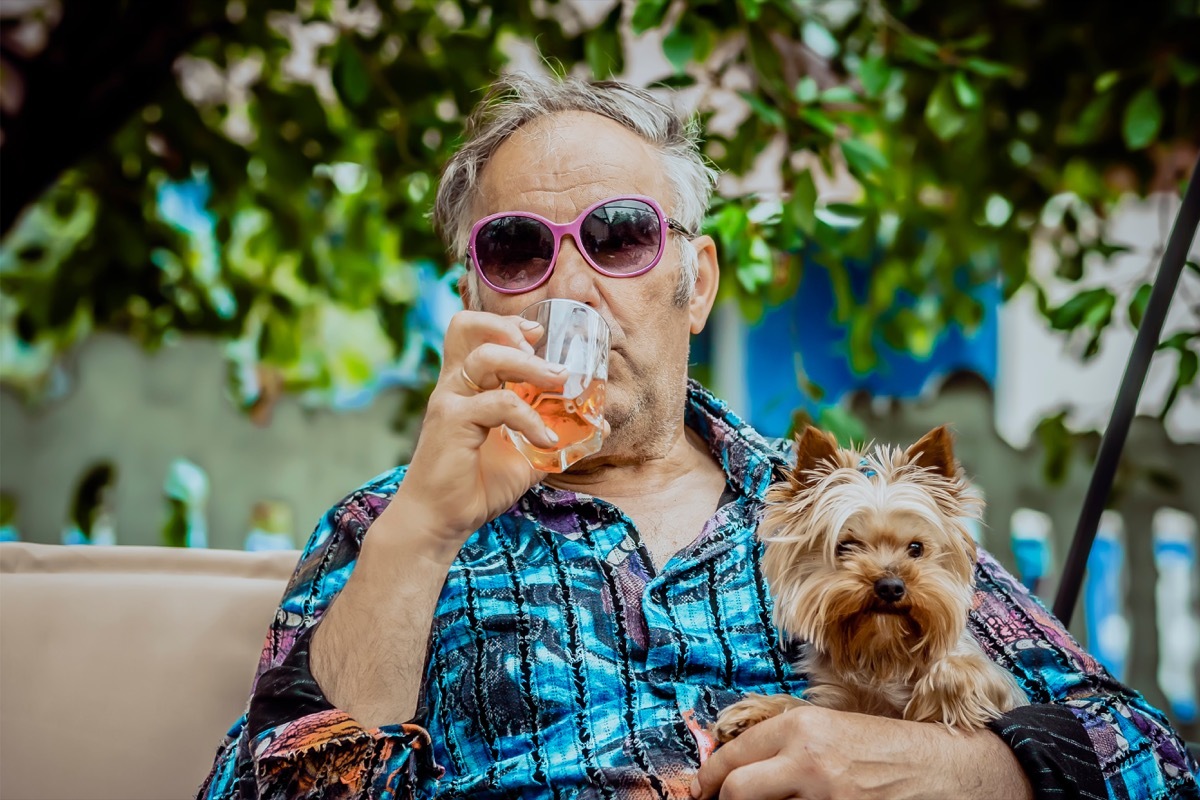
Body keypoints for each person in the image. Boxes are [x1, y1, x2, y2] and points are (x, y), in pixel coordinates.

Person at [198, 73, 1200, 800]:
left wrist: (953, 765)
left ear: (699, 281)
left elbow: (1155, 760)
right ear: (474, 293)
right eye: (516, 248)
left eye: (620, 234)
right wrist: (420, 530)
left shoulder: (847, 511)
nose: (571, 285)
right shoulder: (388, 523)